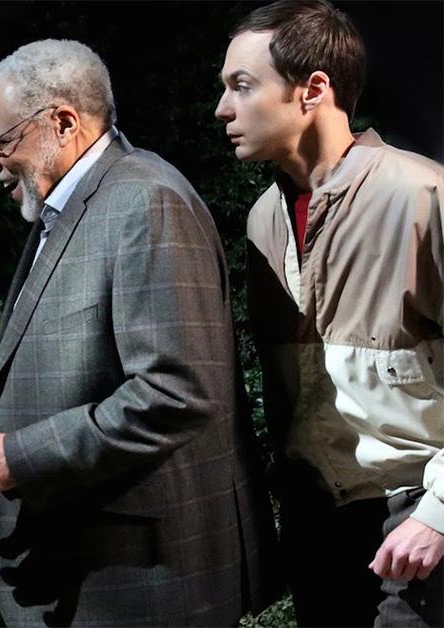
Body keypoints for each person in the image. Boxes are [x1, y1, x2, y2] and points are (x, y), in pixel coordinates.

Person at [0, 39, 275, 625]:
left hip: (140, 584)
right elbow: (83, 358)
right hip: (94, 574)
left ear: (64, 122)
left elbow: (176, 393)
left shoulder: (147, 201)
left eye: (2, 141)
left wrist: (14, 454)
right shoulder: (76, 203)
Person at [215, 1, 444, 625]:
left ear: (313, 90)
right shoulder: (263, 220)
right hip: (319, 517)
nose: (223, 110)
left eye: (242, 86)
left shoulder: (422, 195)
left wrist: (438, 514)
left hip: (418, 517)